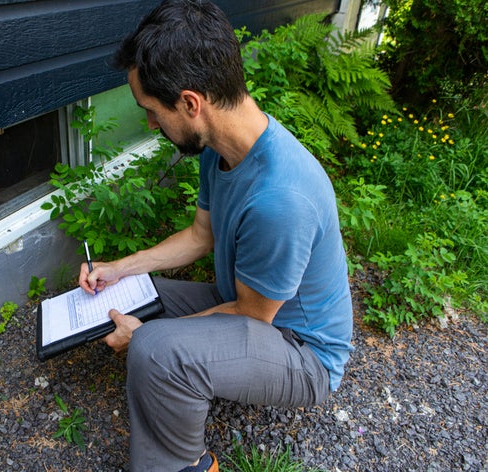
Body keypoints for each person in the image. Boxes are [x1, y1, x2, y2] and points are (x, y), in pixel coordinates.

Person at [78, 1, 354, 471]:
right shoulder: (219, 147)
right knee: (132, 292)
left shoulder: (280, 198)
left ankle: (186, 466)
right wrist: (116, 269)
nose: (149, 123)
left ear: (190, 103)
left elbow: (254, 315)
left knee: (155, 350)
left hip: (302, 353)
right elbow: (199, 236)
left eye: (150, 111)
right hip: (251, 308)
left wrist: (149, 336)